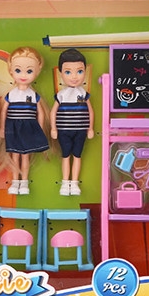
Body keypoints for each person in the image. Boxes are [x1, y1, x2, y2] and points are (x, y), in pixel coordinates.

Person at [0, 47, 50, 195]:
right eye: (18, 70)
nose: (23, 75)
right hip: (13, 128)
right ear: (11, 70)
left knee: (25, 156)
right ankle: (15, 182)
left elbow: (40, 112)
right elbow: (3, 111)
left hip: (28, 128)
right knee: (15, 156)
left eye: (29, 71)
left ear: (37, 71)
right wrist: (2, 128)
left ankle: (24, 182)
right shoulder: (11, 94)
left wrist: (40, 129)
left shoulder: (33, 95)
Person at [50, 48, 94, 196]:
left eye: (79, 71)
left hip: (80, 131)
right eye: (68, 72)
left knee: (77, 155)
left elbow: (90, 111)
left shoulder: (83, 94)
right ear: (60, 73)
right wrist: (53, 128)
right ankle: (65, 183)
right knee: (65, 155)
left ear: (85, 72)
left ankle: (74, 183)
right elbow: (53, 112)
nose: (74, 76)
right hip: (63, 131)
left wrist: (90, 128)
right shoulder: (61, 95)